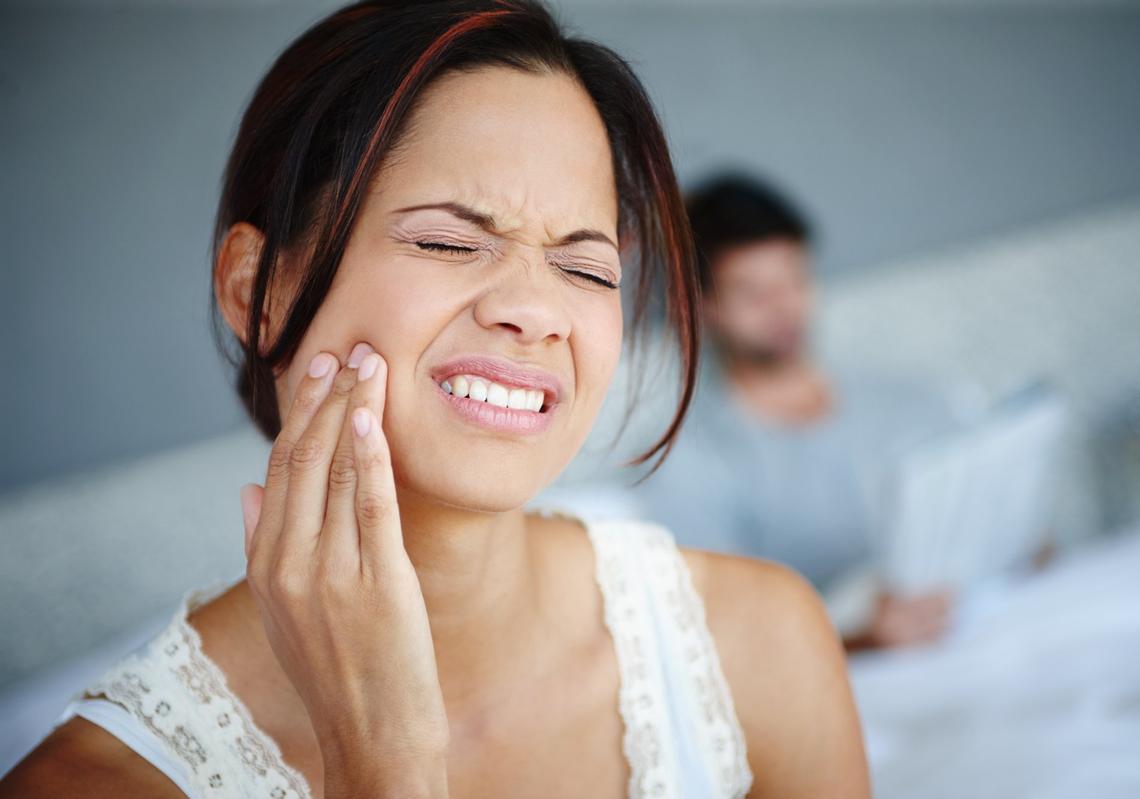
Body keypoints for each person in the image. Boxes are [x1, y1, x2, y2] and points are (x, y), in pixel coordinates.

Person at [0, 3, 869, 797]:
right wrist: (384, 761)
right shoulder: (86, 784)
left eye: (585, 266)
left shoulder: (759, 642)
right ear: (257, 290)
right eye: (449, 241)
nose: (535, 312)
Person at [630, 173, 957, 651]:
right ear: (703, 306)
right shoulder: (691, 459)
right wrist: (864, 640)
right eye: (753, 292)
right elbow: (725, 632)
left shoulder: (905, 399)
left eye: (794, 279)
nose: (784, 308)